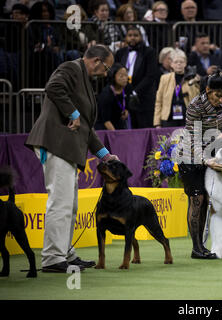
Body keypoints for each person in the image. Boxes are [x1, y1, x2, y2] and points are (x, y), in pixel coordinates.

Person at [25, 44, 119, 273]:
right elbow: (53, 87)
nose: (106, 73)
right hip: (55, 143)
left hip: (66, 147)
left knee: (70, 204)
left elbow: (86, 127)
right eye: (106, 67)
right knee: (60, 202)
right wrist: (73, 113)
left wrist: (104, 155)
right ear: (96, 60)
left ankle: (65, 253)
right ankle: (52, 258)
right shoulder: (70, 67)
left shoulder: (84, 78)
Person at [176, 70, 222, 259]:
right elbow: (194, 139)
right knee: (197, 200)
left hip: (211, 153)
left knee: (205, 201)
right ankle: (196, 248)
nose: (221, 100)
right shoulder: (195, 106)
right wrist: (204, 160)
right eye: (217, 95)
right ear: (208, 89)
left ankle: (201, 246)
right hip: (189, 157)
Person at [115, 26, 159, 128]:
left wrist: (135, 92)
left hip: (144, 96)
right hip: (124, 93)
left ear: (141, 37)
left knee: (144, 127)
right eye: (130, 35)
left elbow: (150, 75)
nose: (133, 38)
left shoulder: (149, 52)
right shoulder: (120, 53)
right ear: (126, 38)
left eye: (136, 35)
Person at [153, 49, 200, 127]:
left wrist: (194, 82)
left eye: (181, 62)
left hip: (187, 119)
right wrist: (157, 123)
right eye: (176, 62)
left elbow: (196, 99)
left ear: (185, 63)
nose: (179, 64)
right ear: (171, 64)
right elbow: (159, 101)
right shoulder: (164, 78)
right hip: (168, 119)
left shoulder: (192, 78)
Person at [95, 63, 130, 130]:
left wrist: (126, 110)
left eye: (126, 75)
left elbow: (125, 104)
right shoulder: (106, 94)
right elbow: (106, 121)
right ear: (113, 76)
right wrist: (116, 136)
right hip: (104, 128)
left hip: (118, 125)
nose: (125, 78)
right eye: (121, 76)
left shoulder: (127, 88)